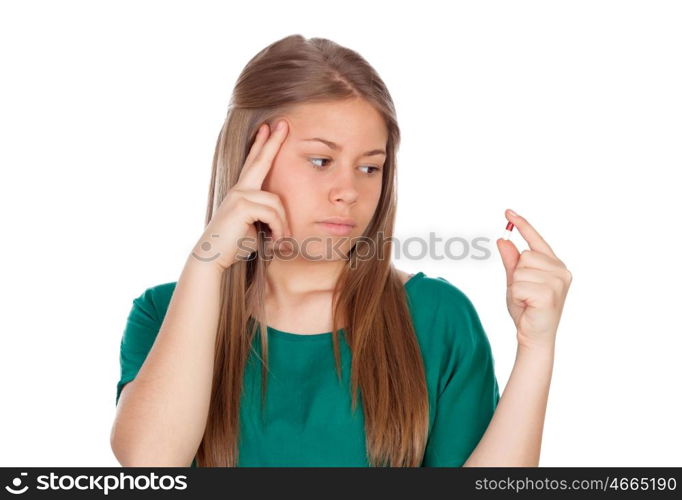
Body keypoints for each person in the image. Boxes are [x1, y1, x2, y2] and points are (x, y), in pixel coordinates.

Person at [110, 34, 572, 467]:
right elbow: (151, 462)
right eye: (320, 161)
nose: (348, 191)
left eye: (369, 168)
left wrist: (536, 348)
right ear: (251, 158)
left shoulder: (437, 317)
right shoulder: (165, 312)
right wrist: (206, 264)